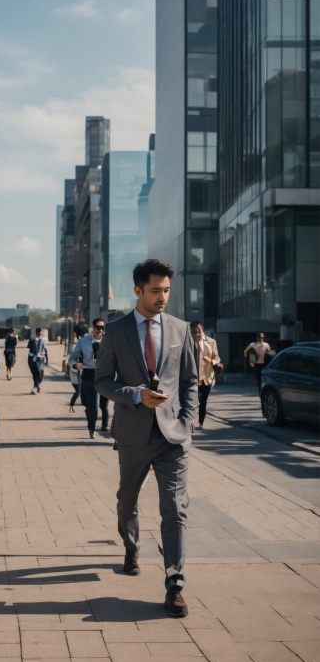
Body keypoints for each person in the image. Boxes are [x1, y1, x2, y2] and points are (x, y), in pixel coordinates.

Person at [95, 259, 197, 618]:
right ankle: (131, 545)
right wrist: (135, 394)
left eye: (167, 290)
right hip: (133, 435)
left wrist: (188, 422)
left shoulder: (181, 329)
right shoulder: (116, 330)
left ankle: (175, 585)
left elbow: (189, 381)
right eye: (156, 290)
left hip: (173, 437)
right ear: (138, 291)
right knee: (128, 502)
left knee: (174, 508)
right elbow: (102, 380)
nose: (163, 297)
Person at [68, 318, 110, 438]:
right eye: (98, 327)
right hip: (88, 375)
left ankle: (99, 426)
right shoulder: (84, 341)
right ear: (93, 327)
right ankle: (91, 426)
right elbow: (72, 358)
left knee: (100, 405)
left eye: (102, 328)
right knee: (90, 406)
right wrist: (76, 365)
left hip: (103, 375)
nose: (100, 330)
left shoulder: (108, 341)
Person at [190, 322, 223, 428]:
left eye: (198, 331)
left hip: (207, 377)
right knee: (191, 401)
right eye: (194, 332)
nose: (196, 334)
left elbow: (217, 358)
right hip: (192, 377)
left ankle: (201, 422)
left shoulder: (211, 342)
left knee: (203, 401)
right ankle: (189, 421)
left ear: (202, 330)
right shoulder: (188, 342)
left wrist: (211, 361)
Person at [27, 328, 48, 394]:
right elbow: (30, 349)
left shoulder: (43, 341)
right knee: (35, 373)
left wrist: (44, 354)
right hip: (33, 359)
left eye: (40, 333)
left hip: (40, 359)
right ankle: (35, 387)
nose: (39, 335)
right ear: (36, 333)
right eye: (38, 333)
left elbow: (45, 350)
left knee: (40, 373)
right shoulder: (32, 340)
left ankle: (37, 385)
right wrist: (35, 353)